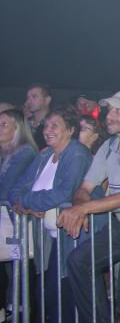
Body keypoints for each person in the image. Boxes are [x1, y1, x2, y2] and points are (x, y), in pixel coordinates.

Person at [58, 89, 120, 323]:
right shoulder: (108, 146)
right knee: (78, 261)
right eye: (110, 111)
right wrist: (80, 207)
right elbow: (84, 188)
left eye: (118, 111)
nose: (110, 116)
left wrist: (84, 209)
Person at [9, 106, 93, 323]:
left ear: (70, 130)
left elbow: (65, 192)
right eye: (46, 125)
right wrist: (25, 204)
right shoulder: (44, 155)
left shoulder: (77, 154)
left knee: (61, 295)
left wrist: (27, 201)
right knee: (47, 293)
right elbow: (15, 189)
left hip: (71, 237)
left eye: (55, 126)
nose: (47, 130)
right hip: (49, 238)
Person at [0, 109, 37, 203]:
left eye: (4, 125)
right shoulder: (3, 153)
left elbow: (6, 191)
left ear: (17, 129)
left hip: (10, 208)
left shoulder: (25, 153)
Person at [24, 83, 52, 149]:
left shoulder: (53, 124)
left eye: (34, 96)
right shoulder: (25, 123)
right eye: (28, 98)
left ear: (47, 100)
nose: (29, 101)